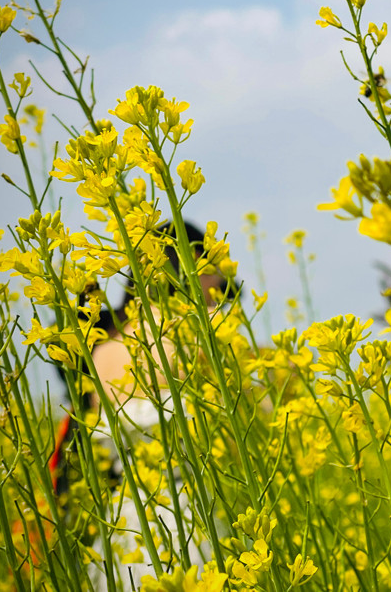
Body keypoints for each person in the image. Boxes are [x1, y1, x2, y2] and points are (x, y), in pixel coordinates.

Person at [49, 220, 237, 589]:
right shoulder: (201, 335)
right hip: (190, 521)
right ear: (185, 263)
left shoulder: (103, 349)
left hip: (125, 530)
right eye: (210, 266)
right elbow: (239, 437)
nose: (218, 283)